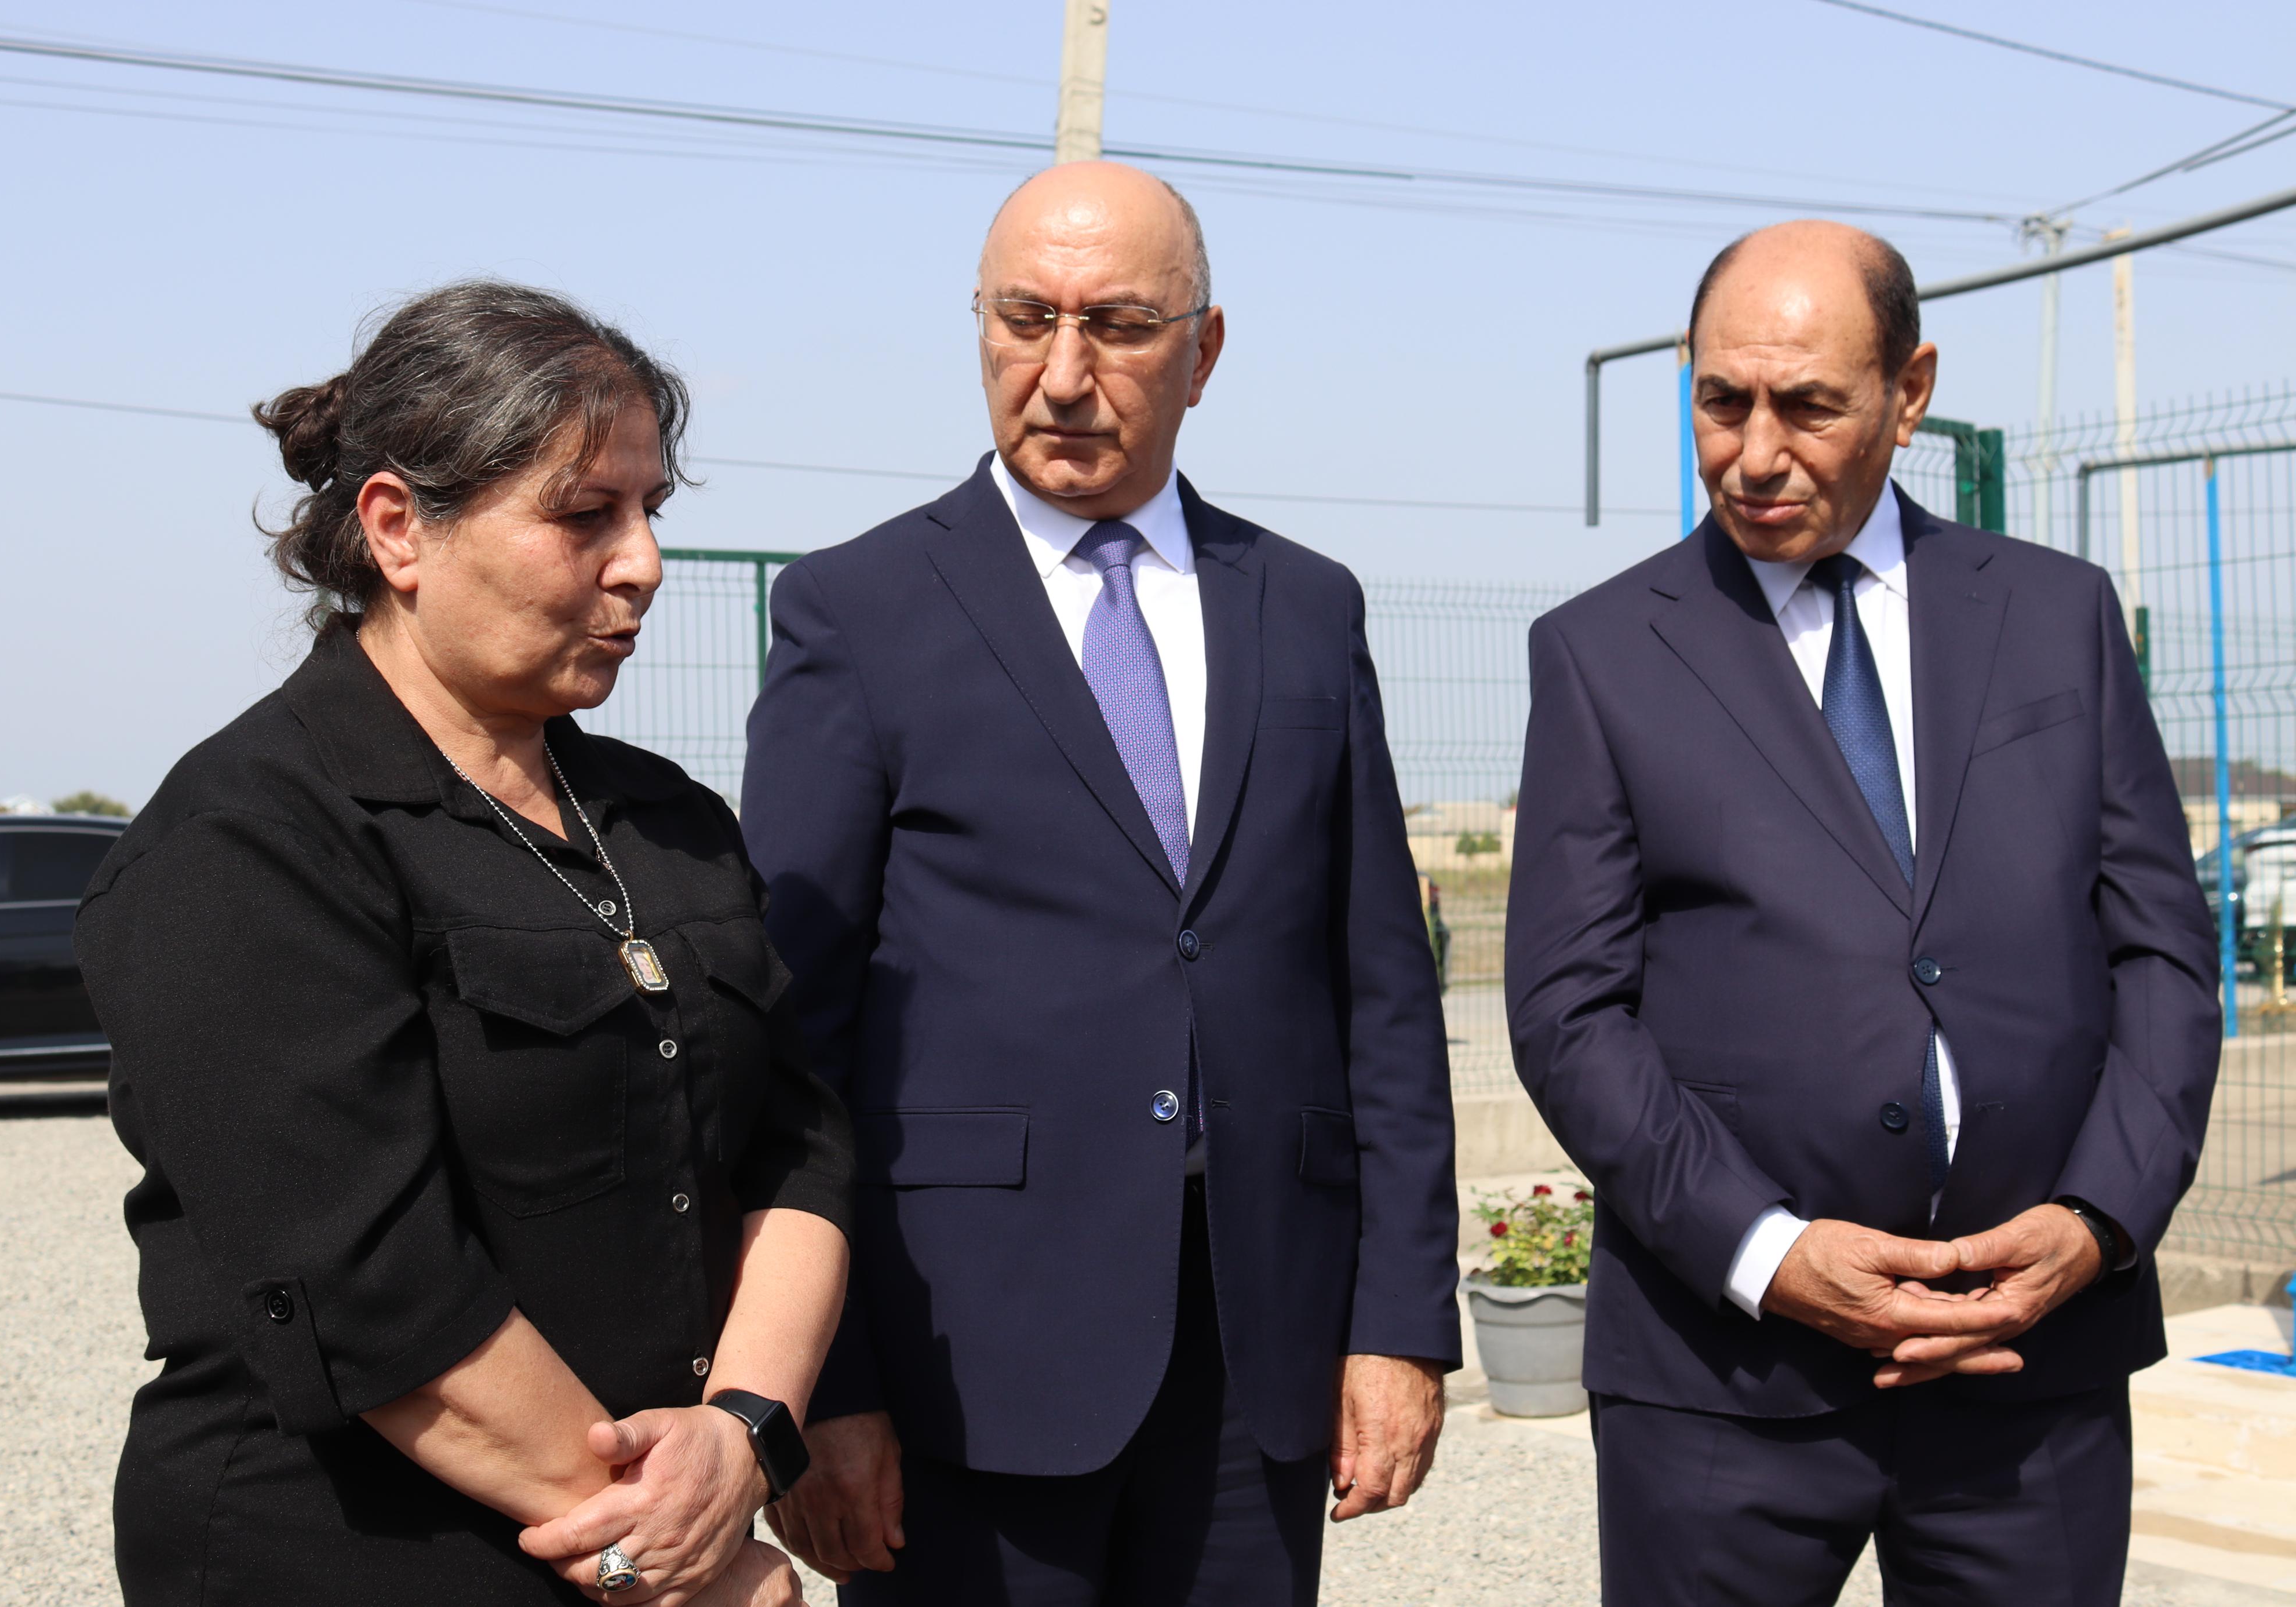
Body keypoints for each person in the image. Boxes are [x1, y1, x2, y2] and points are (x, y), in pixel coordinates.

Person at [738, 161, 1458, 1605]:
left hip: (1256, 1350)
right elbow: (786, 1036)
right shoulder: (858, 611)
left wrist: (1397, 1320)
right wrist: (826, 1385)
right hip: (965, 1364)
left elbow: (1379, 989)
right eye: (1025, 319)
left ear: (1204, 349)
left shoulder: (1306, 607)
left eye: (1118, 325)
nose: (1062, 374)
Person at [75, 281, 851, 1606]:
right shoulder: (249, 842)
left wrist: (740, 1436)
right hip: (353, 1559)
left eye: (650, 510)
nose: (642, 563)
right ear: (398, 528)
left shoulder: (670, 824)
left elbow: (799, 1143)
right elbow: (369, 1283)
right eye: (584, 514)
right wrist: (673, 1559)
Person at [1505, 220, 2222, 1605]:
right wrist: (1768, 1254)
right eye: (1722, 401)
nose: (1754, 453)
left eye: (1809, 405)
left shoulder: (2057, 617)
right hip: (1724, 1379)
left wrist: (2095, 1218)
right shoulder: (1600, 656)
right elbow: (1568, 1013)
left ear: (1910, 391)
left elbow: (2161, 959)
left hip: (2030, 1366)